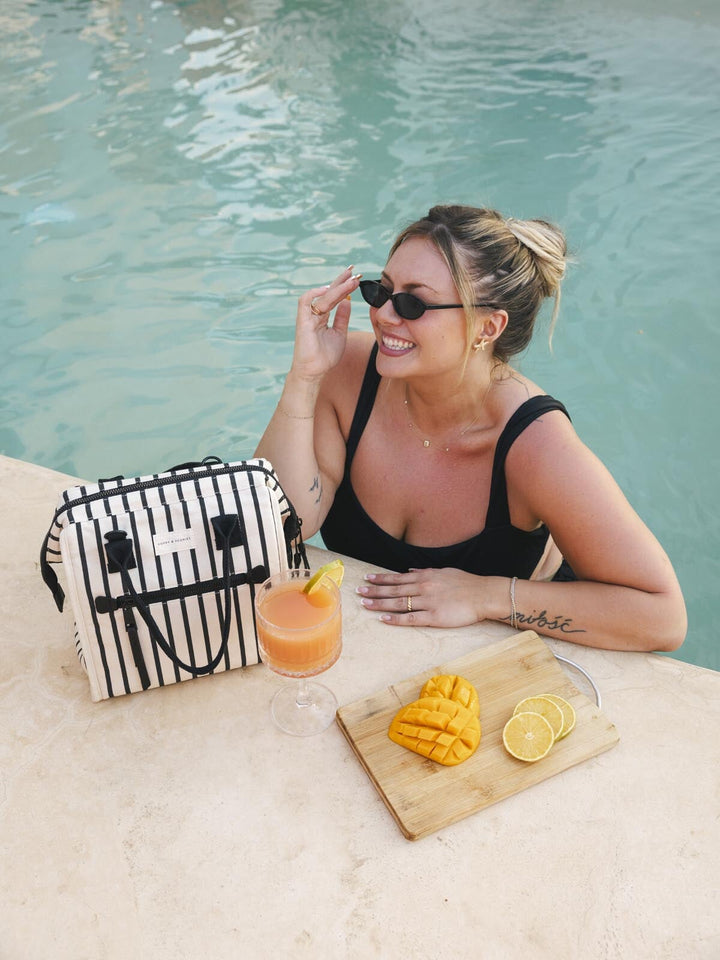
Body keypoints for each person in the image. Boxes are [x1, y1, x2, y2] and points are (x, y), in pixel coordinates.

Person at [255, 205, 686, 652]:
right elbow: (281, 526)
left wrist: (487, 596)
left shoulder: (534, 443)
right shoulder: (347, 371)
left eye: (412, 303)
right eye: (380, 291)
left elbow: (663, 617)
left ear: (487, 326)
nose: (383, 315)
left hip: (502, 664)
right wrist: (303, 379)